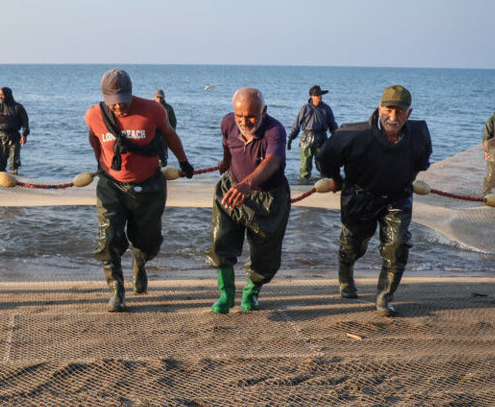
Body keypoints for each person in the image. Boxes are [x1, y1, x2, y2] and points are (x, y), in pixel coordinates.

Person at [317, 85, 432, 317]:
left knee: (397, 245)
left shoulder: (419, 134)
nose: (393, 117)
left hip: (397, 198)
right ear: (379, 108)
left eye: (400, 112)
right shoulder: (353, 134)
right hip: (360, 196)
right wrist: (335, 179)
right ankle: (345, 273)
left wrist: (407, 180)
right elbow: (324, 157)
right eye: (389, 110)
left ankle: (385, 296)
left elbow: (420, 163)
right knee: (353, 246)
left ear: (408, 114)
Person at [85, 69, 194, 312]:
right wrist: (100, 164)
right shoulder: (93, 115)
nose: (120, 107)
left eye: (124, 101)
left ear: (131, 94)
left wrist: (184, 162)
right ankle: (117, 291)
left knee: (149, 241)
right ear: (104, 98)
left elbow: (170, 135)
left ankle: (140, 261)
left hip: (149, 184)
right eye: (114, 103)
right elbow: (94, 139)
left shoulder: (154, 110)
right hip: (111, 185)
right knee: (108, 237)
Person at [207, 88, 291, 314]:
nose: (244, 121)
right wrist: (225, 162)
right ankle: (226, 294)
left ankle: (251, 292)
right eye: (239, 116)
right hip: (232, 187)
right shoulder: (227, 123)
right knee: (220, 239)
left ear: (264, 110)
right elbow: (227, 145)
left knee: (266, 252)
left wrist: (248, 184)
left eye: (251, 116)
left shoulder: (275, 131)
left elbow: (273, 161)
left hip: (268, 196)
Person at [288, 85, 338, 182]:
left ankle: (324, 183)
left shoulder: (326, 108)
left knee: (323, 165)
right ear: (312, 96)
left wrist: (337, 137)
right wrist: (290, 138)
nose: (319, 97)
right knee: (305, 166)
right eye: (317, 95)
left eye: (320, 95)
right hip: (307, 138)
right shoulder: (305, 108)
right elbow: (297, 124)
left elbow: (332, 124)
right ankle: (303, 184)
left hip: (322, 138)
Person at [0, 87, 30, 174]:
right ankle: (1, 181)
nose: (0, 97)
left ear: (8, 95)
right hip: (2, 137)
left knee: (14, 164)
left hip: (15, 137)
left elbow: (25, 122)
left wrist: (24, 135)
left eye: (2, 95)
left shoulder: (18, 107)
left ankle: (16, 180)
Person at [153, 89, 177, 167]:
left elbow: (173, 122)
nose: (159, 100)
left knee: (163, 159)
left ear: (163, 98)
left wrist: (170, 134)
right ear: (154, 97)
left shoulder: (168, 108)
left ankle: (162, 171)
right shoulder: (150, 106)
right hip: (152, 136)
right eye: (157, 98)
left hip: (163, 137)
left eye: (161, 98)